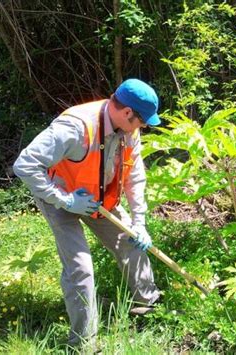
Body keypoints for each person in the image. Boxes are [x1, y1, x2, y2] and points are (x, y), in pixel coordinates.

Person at [13, 78, 161, 346]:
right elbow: (25, 165)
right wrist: (66, 200)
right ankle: (83, 343)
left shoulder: (129, 130)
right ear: (128, 113)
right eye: (143, 121)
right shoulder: (76, 127)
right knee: (81, 268)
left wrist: (139, 222)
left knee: (133, 244)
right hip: (60, 199)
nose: (144, 127)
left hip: (100, 199)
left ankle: (146, 304)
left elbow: (135, 176)